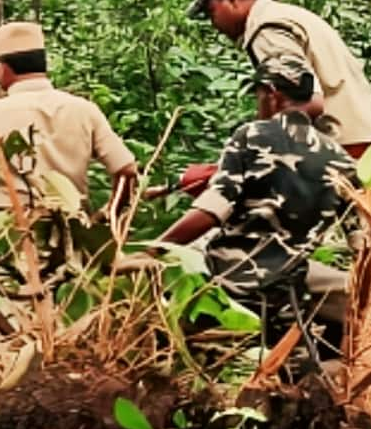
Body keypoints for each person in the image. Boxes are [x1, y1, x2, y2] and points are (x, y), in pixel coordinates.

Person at [151, 54, 359, 360]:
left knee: (178, 356)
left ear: (272, 95)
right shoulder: (341, 160)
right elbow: (362, 243)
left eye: (259, 95)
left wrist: (157, 247)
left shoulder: (251, 136)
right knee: (295, 377)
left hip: (227, 283)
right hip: (288, 293)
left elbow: (212, 209)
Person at [0, 21, 138, 218]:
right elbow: (127, 170)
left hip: (10, 232)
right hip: (72, 232)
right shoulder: (84, 110)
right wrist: (110, 215)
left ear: (0, 67)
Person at [188, 0, 371, 157]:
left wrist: (253, 144)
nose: (214, 24)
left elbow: (310, 101)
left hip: (347, 148)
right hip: (370, 139)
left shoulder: (266, 29)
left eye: (211, 12)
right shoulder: (286, 14)